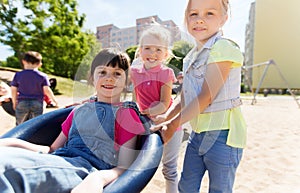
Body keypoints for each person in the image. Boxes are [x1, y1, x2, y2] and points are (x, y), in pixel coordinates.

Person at [0, 48, 146, 193]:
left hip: (83, 170)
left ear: (127, 80)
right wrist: (12, 143)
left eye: (117, 73)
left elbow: (124, 167)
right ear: (91, 78)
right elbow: (52, 149)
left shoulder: (126, 115)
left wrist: (98, 178)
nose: (109, 78)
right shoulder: (79, 111)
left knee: (5, 170)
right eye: (102, 72)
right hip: (57, 160)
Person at [152, 0, 247, 192]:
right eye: (193, 14)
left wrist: (172, 125)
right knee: (186, 185)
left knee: (219, 188)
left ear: (224, 19)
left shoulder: (223, 48)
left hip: (224, 135)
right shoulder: (190, 57)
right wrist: (167, 116)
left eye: (209, 13)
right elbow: (186, 95)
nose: (200, 20)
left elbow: (206, 96)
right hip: (197, 135)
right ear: (186, 19)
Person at [130, 25, 183, 193]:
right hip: (144, 122)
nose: (152, 54)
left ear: (166, 54)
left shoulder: (166, 73)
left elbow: (163, 103)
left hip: (168, 123)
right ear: (140, 51)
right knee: (133, 163)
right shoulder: (134, 72)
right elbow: (131, 95)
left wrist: (145, 112)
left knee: (169, 168)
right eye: (148, 48)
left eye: (158, 50)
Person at [10, 51, 58, 125]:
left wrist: (14, 102)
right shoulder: (42, 76)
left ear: (23, 61)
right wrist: (55, 101)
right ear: (39, 64)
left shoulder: (18, 75)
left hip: (22, 102)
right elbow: (46, 90)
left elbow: (13, 89)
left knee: (19, 125)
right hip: (37, 102)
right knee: (35, 124)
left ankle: (19, 136)